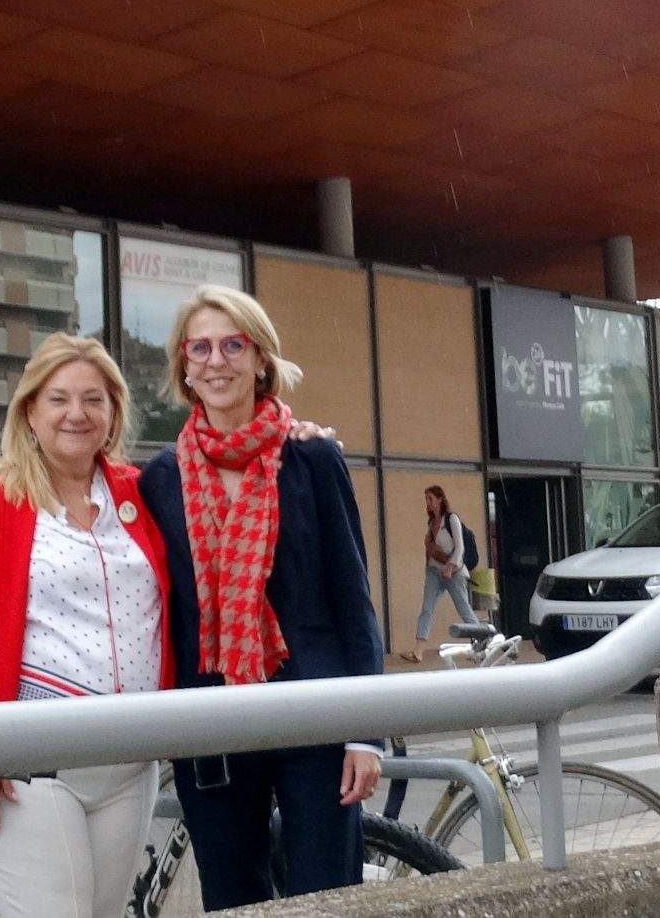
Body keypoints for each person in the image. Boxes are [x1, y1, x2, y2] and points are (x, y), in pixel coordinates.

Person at [138, 286, 385, 911]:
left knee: (326, 897)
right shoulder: (159, 480)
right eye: (200, 347)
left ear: (259, 359)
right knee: (233, 898)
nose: (216, 360)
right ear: (184, 367)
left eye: (232, 344)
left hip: (316, 711)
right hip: (210, 719)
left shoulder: (312, 457)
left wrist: (366, 733)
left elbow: (352, 598)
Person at [0, 333, 170, 918]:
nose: (76, 414)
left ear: (113, 413)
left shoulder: (141, 492)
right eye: (58, 399)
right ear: (29, 411)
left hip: (131, 766)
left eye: (94, 399)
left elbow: (224, 478)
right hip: (27, 768)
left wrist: (298, 438)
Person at [405, 486, 479, 663]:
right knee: (427, 609)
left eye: (430, 498)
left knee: (464, 610)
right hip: (434, 571)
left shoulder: (452, 519)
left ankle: (481, 643)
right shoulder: (431, 523)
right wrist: (428, 566)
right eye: (426, 499)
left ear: (440, 499)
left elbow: (460, 547)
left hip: (454, 573)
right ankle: (418, 651)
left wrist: (450, 567)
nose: (428, 503)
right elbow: (431, 550)